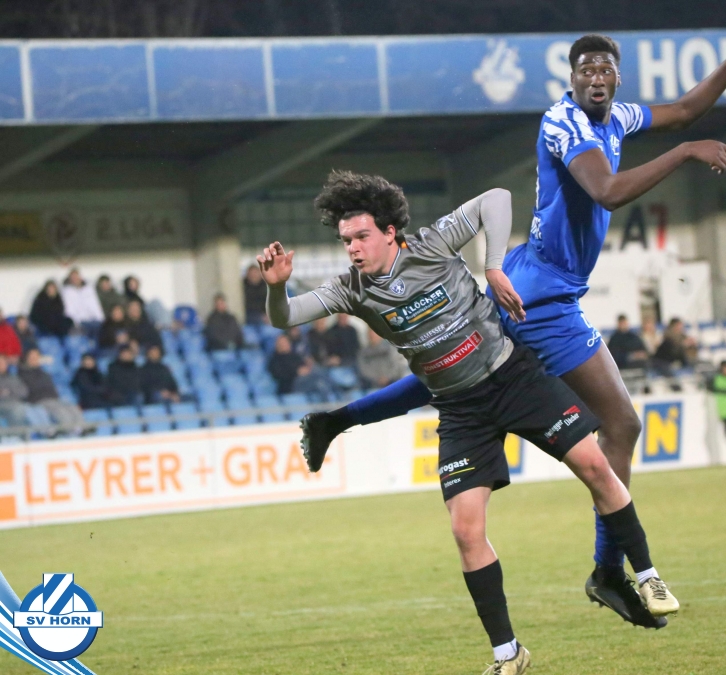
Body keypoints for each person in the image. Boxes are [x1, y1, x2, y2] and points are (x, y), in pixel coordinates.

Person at [296, 23, 726, 632]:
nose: (596, 77)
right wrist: (684, 153)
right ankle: (609, 571)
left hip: (542, 282)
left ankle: (336, 420)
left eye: (605, 69)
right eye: (586, 70)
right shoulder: (564, 123)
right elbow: (606, 191)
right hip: (543, 295)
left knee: (458, 367)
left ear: (616, 78)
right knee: (618, 423)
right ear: (572, 80)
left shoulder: (617, 118)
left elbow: (683, 110)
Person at [259, 173, 679, 673]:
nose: (352, 248)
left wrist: (493, 266)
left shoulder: (433, 244)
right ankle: (508, 654)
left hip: (513, 377)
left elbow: (495, 199)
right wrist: (277, 289)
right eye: (346, 240)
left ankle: (647, 576)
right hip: (460, 408)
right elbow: (285, 317)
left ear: (390, 232)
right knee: (465, 530)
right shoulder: (350, 290)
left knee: (595, 467)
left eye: (361, 236)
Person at [18, 348, 84, 432]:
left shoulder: (44, 373)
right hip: (38, 400)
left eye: (37, 357)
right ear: (26, 359)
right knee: (60, 411)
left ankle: (82, 428)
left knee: (73, 407)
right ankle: (69, 431)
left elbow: (51, 387)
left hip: (53, 399)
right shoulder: (22, 374)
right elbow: (28, 391)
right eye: (32, 357)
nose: (35, 360)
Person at [0, 354, 31, 428]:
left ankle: (18, 435)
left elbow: (24, 392)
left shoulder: (14, 378)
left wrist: (9, 392)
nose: (2, 365)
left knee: (22, 409)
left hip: (14, 403)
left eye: (3, 362)